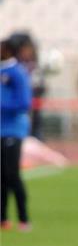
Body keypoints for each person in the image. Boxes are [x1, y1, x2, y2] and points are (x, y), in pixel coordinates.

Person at [1, 37, 33, 232]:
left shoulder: (17, 73)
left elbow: (24, 103)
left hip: (12, 130)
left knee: (12, 174)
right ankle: (2, 218)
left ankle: (24, 218)